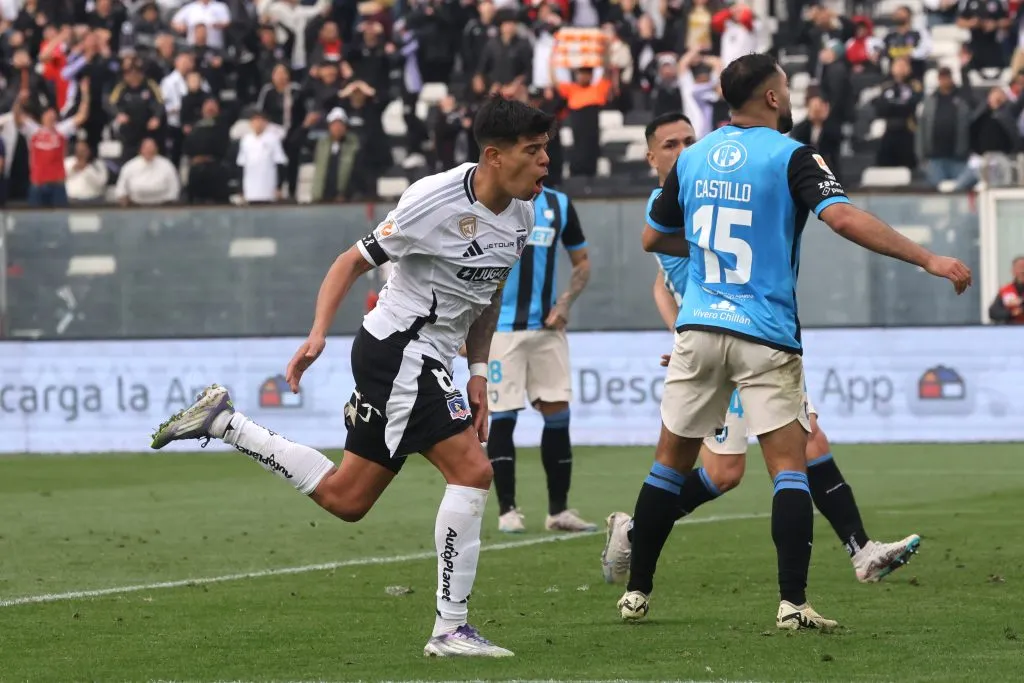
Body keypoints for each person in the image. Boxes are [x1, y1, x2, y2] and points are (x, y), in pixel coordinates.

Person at [148, 95, 553, 658]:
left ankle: (226, 424)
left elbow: (488, 296)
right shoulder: (432, 200)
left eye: (545, 150)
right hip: (400, 350)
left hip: (429, 357)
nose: (544, 162)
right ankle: (450, 629)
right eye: (532, 151)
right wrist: (317, 334)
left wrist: (479, 371)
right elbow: (349, 261)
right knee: (473, 470)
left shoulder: (524, 212)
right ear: (493, 156)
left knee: (347, 498)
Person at [614, 53, 972, 631]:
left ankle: (636, 592)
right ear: (774, 98)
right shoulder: (792, 155)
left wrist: (708, 254)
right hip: (764, 331)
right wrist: (928, 257)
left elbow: (654, 234)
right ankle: (792, 604)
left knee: (667, 468)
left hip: (700, 326)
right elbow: (845, 218)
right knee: (788, 470)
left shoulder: (696, 155)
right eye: (787, 85)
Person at [601, 111, 923, 591]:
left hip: (736, 339)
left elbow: (661, 284)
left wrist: (679, 329)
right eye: (671, 144)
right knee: (762, 457)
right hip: (727, 341)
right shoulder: (672, 202)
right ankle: (635, 532)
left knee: (742, 466)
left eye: (691, 139)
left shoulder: (702, 191)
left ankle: (861, 549)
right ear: (650, 158)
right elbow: (673, 259)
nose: (684, 149)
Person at [484, 185, 593, 534]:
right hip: (500, 331)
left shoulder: (559, 204)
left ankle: (558, 512)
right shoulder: (491, 196)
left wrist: (565, 304)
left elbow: (582, 262)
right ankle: (507, 511)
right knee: (503, 417)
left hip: (547, 330)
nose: (540, 159)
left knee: (558, 413)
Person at [988, 256, 1024, 324]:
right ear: (1012, 271)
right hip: (1010, 330)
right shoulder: (1005, 290)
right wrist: (1011, 313)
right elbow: (993, 312)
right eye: (1020, 267)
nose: (1022, 271)